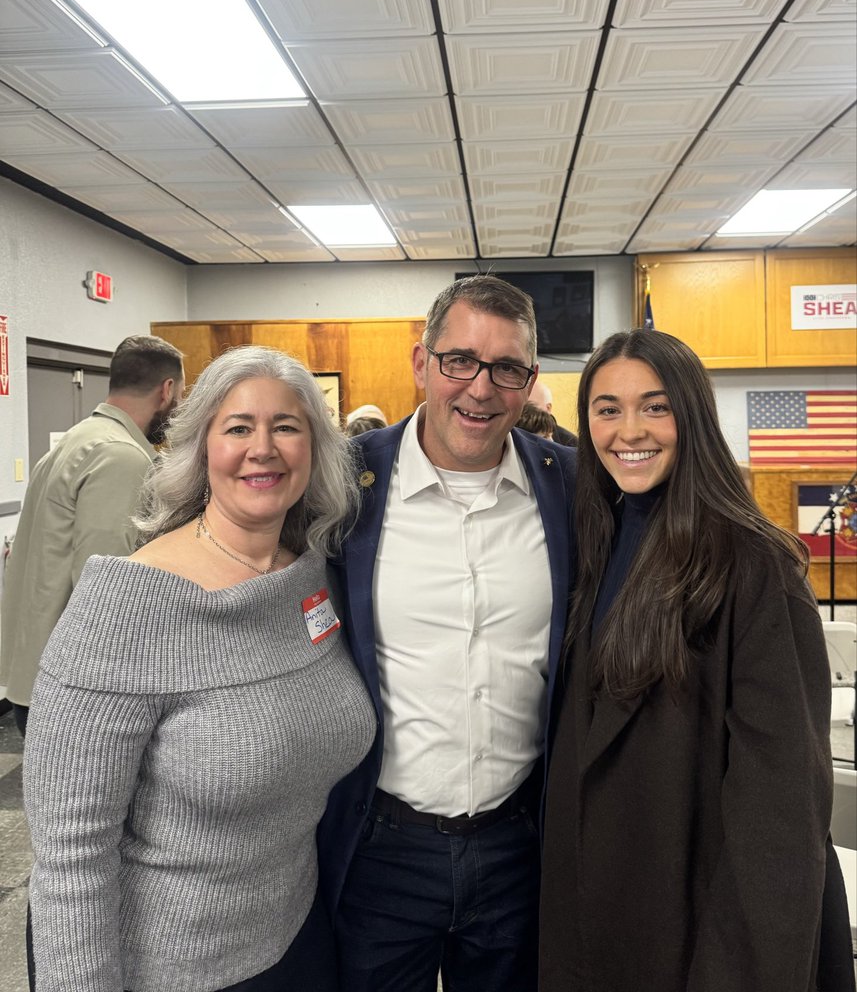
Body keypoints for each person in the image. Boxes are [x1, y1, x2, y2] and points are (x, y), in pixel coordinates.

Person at [23, 345, 377, 992]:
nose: (262, 449)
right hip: (174, 969)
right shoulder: (123, 605)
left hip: (300, 940)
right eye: (238, 427)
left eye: (286, 426)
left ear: (315, 449)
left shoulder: (311, 575)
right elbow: (71, 854)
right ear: (200, 448)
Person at [539, 329, 853, 992]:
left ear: (693, 416)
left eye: (655, 407)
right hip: (600, 916)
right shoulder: (594, 543)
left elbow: (781, 809)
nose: (629, 431)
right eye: (607, 409)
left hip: (700, 930)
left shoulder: (755, 568)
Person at [319, 274, 576, 992]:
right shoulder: (343, 483)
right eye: (459, 360)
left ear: (529, 380)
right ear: (420, 362)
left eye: (507, 369)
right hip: (380, 847)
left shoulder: (572, 486)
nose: (480, 389)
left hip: (518, 846)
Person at [0, 334, 185, 736]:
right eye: (181, 395)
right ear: (167, 390)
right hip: (76, 692)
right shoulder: (121, 455)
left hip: (39, 674)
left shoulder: (76, 439)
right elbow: (107, 588)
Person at [528, 378, 576, 446]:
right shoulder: (512, 438)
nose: (523, 411)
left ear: (548, 408)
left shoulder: (571, 444)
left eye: (531, 406)